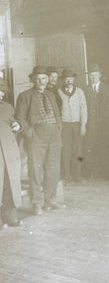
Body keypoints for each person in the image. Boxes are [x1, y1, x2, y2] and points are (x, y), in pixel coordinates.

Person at [15, 66, 63, 215]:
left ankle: (50, 200)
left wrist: (58, 128)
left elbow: (57, 114)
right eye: (38, 79)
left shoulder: (51, 94)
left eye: (44, 79)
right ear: (33, 80)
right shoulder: (25, 96)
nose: (41, 82)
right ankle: (37, 203)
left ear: (47, 80)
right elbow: (20, 118)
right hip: (37, 137)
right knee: (35, 170)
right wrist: (30, 134)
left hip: (54, 136)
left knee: (53, 169)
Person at [58, 68, 88, 184]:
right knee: (66, 151)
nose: (68, 81)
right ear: (63, 80)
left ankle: (78, 176)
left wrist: (83, 124)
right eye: (66, 79)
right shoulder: (59, 92)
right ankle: (67, 176)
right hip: (65, 126)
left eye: (70, 79)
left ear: (73, 79)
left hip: (77, 124)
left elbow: (83, 108)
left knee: (78, 151)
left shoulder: (80, 92)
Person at [0, 80, 22, 228]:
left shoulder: (7, 107)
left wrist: (16, 125)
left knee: (10, 183)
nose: (2, 94)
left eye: (3, 91)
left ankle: (10, 215)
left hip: (8, 150)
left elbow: (13, 121)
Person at [83, 63, 107, 180]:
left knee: (104, 146)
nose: (93, 77)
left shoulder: (107, 88)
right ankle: (93, 172)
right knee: (91, 148)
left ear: (100, 75)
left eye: (95, 75)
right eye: (91, 75)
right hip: (91, 125)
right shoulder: (85, 90)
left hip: (104, 125)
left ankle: (105, 172)